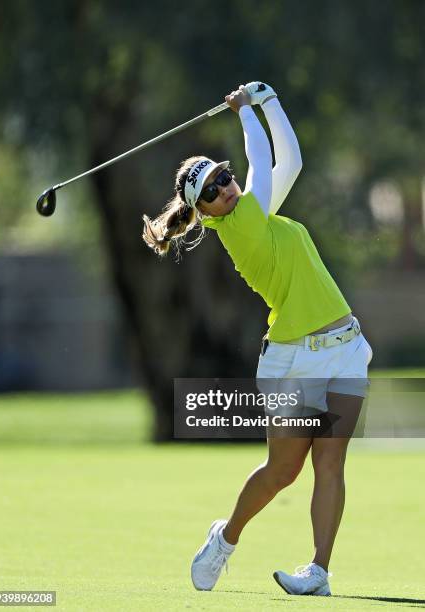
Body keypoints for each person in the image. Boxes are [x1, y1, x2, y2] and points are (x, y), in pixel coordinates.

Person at [142, 82, 373, 596]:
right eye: (212, 191)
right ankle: (225, 537)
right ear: (203, 212)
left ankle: (318, 571)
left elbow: (288, 160)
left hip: (345, 349)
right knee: (283, 471)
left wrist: (269, 101)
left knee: (330, 463)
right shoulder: (241, 228)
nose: (226, 188)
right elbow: (262, 153)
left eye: (224, 177)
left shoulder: (257, 213)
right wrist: (247, 111)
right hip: (291, 362)